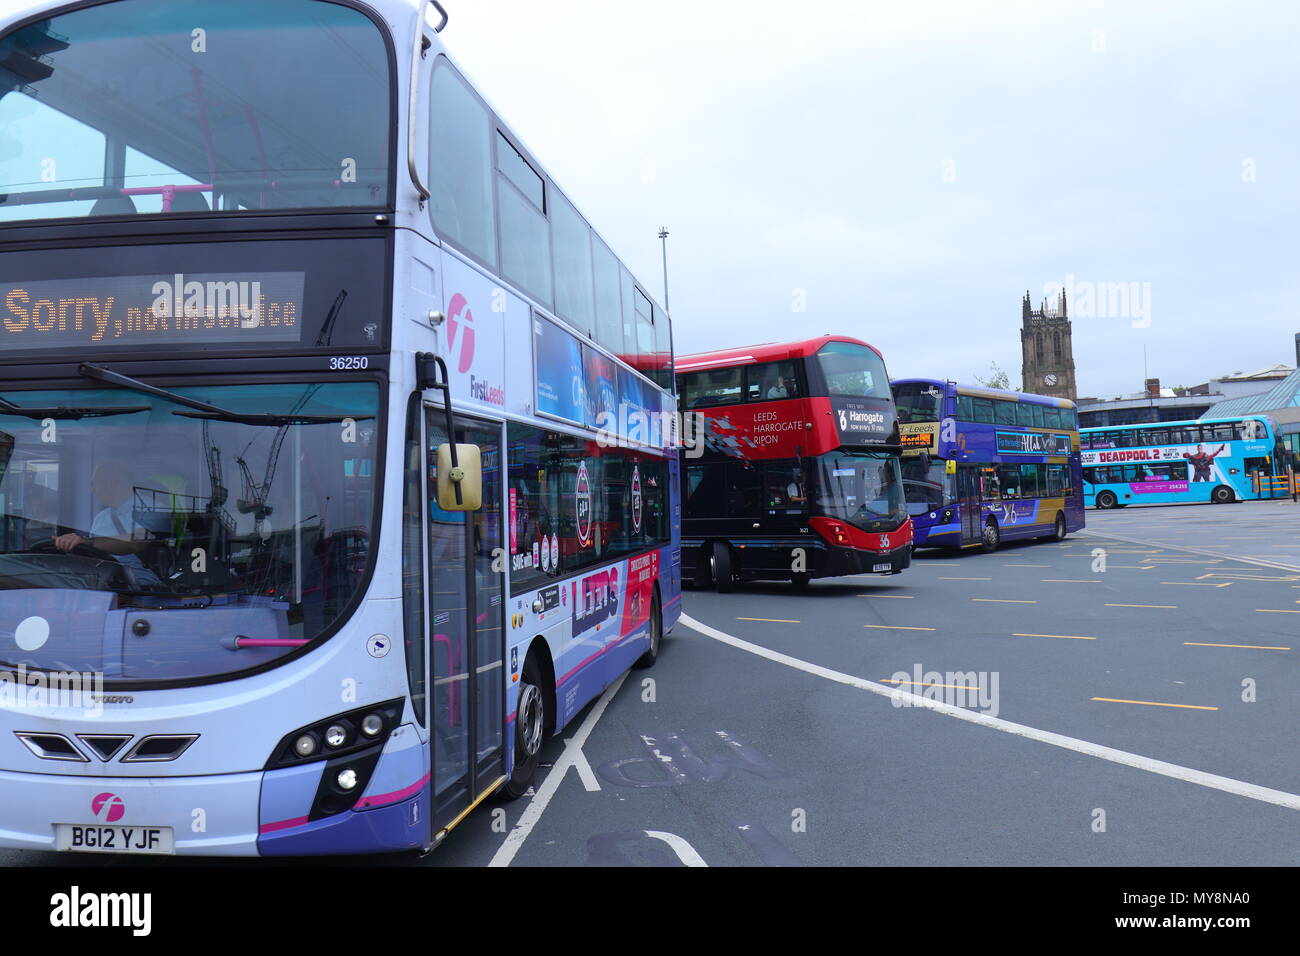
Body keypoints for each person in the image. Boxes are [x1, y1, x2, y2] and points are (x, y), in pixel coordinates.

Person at [53, 459, 159, 583]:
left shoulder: (152, 509)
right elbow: (92, 555)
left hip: (145, 590)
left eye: (94, 484)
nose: (92, 490)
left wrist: (87, 541)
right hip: (106, 584)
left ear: (111, 484)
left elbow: (137, 542)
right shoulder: (102, 517)